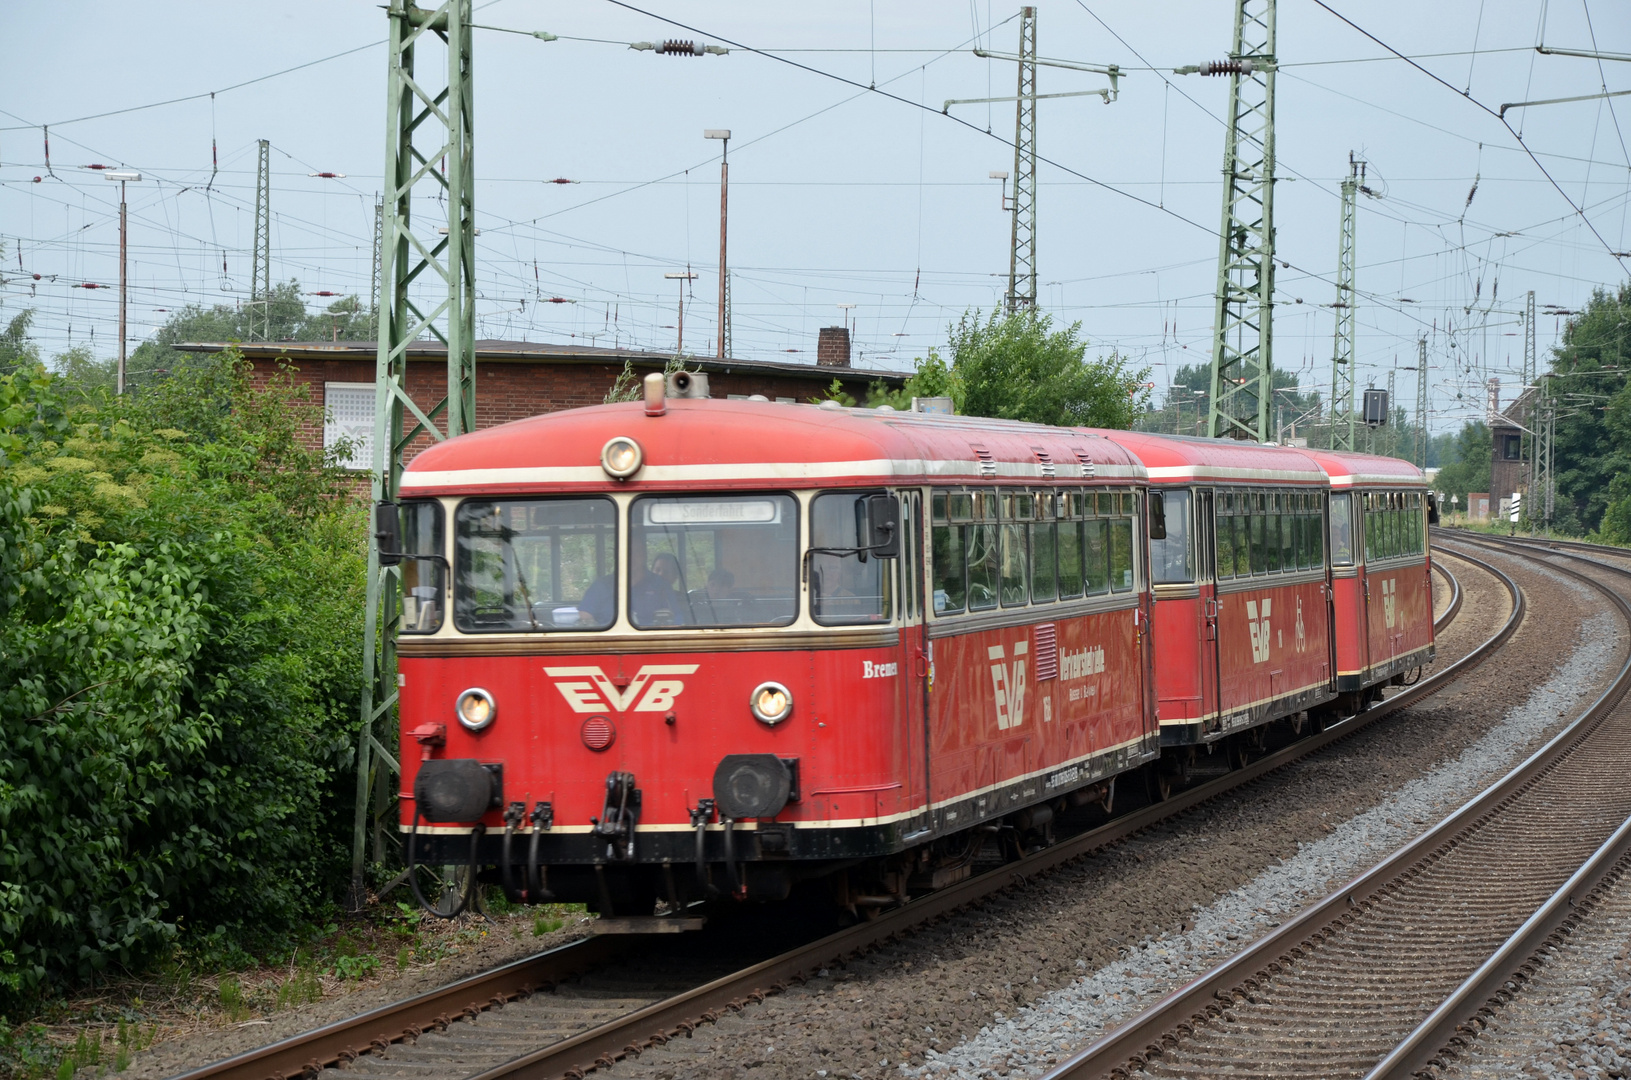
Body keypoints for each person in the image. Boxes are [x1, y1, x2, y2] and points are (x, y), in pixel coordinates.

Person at [631, 551, 691, 625]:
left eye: (666, 572)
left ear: (675, 577)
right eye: (657, 570)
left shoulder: (680, 600)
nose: (660, 574)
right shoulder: (637, 592)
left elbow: (680, 621)